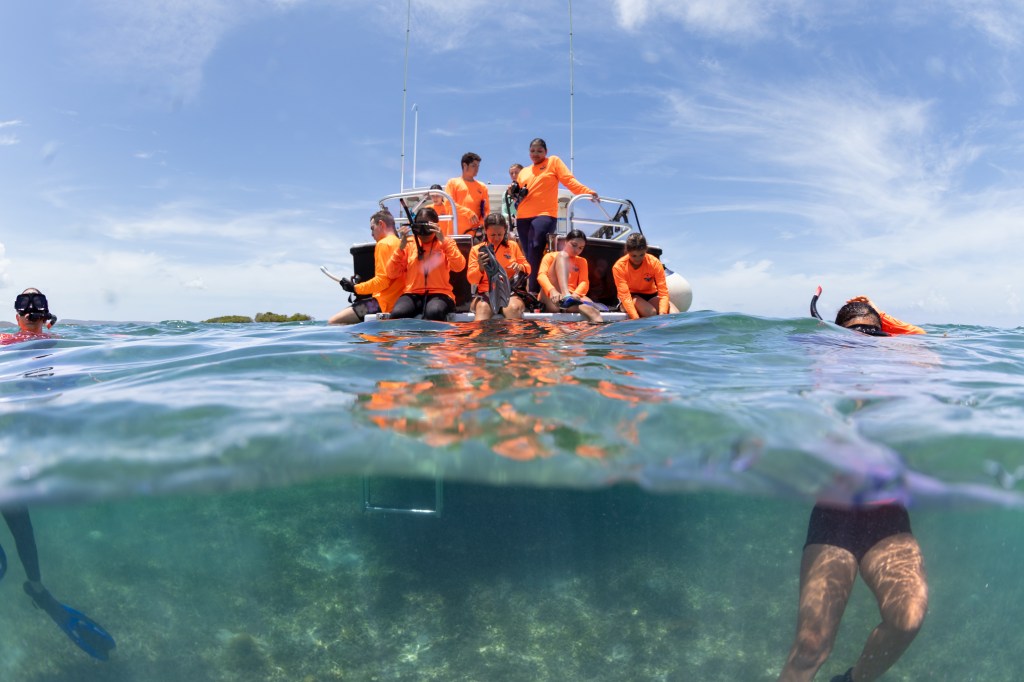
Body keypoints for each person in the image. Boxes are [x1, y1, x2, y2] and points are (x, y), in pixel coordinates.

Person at [778, 298, 928, 682]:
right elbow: (792, 345)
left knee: (907, 618)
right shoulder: (825, 370)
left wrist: (887, 330)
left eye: (872, 335)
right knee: (811, 647)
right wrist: (831, 343)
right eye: (852, 337)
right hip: (835, 514)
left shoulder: (898, 372)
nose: (863, 344)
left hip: (888, 515)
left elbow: (929, 350)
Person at [1, 290, 116, 661]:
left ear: (18, 315)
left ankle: (35, 586)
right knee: (21, 527)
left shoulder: (8, 339)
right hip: (18, 458)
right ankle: (36, 588)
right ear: (40, 315)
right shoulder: (55, 341)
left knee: (17, 533)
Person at [515, 138, 598, 293]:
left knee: (535, 248)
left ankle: (533, 290)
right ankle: (533, 287)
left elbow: (569, 181)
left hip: (545, 214)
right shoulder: (524, 172)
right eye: (532, 151)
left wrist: (588, 192)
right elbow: (518, 195)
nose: (536, 154)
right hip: (522, 216)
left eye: (539, 151)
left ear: (546, 152)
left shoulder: (553, 161)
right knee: (528, 254)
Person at [385, 207, 467, 321]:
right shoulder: (409, 244)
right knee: (398, 313)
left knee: (434, 312)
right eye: (420, 229)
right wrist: (400, 249)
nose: (423, 234)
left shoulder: (446, 243)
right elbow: (391, 273)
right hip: (413, 293)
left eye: (428, 228)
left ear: (436, 227)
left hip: (440, 293)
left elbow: (459, 266)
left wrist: (444, 242)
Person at [328, 210, 404, 325]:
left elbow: (382, 281)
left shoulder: (383, 244)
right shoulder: (400, 243)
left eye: (372, 228)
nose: (371, 234)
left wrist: (355, 288)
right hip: (399, 301)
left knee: (333, 321)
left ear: (381, 224)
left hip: (383, 303)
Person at [466, 213, 530, 321]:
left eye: (500, 234)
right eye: (492, 235)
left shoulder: (513, 246)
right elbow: (471, 279)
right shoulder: (476, 250)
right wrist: (480, 268)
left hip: (509, 291)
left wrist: (520, 267)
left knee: (513, 309)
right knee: (482, 309)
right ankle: (479, 337)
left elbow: (528, 268)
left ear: (505, 230)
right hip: (486, 293)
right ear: (485, 231)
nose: (496, 238)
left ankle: (515, 337)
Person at [536, 229, 602, 323]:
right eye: (574, 245)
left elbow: (584, 282)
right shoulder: (550, 256)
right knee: (563, 255)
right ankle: (566, 297)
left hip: (571, 296)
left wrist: (575, 294)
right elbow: (541, 276)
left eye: (580, 248)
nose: (576, 250)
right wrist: (552, 291)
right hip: (551, 294)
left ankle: (595, 336)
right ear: (566, 241)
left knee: (593, 311)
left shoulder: (582, 261)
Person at [611, 233, 679, 320]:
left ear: (646, 250)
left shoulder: (655, 263)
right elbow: (625, 296)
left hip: (650, 295)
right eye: (634, 256)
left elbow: (663, 292)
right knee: (651, 312)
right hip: (630, 297)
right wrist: (635, 319)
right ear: (627, 252)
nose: (638, 259)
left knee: (675, 314)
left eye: (641, 255)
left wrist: (663, 314)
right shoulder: (618, 267)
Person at [444, 152, 490, 236]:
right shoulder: (452, 183)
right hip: (455, 233)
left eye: (478, 166)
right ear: (465, 165)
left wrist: (481, 225)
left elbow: (486, 210)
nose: (477, 168)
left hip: (475, 234)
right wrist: (468, 212)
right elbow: (448, 203)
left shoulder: (482, 187)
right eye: (473, 165)